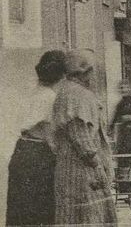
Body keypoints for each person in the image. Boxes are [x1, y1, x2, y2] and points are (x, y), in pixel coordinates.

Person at [52, 50, 117, 225]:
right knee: (86, 217)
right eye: (92, 70)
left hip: (79, 166)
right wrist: (98, 166)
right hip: (81, 169)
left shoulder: (69, 91)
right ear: (83, 72)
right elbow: (81, 137)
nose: (94, 75)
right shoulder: (76, 94)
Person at [6, 49, 66, 226]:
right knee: (42, 209)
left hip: (21, 151)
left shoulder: (32, 92)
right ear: (61, 75)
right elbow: (49, 135)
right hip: (38, 156)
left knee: (20, 209)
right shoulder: (50, 98)